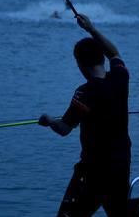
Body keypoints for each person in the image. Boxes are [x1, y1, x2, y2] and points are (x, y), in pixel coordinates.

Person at [39, 14, 131, 217]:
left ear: (81, 65)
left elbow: (64, 128)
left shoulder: (84, 93)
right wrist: (91, 28)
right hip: (121, 167)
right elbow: (114, 52)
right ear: (101, 57)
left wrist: (49, 120)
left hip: (93, 172)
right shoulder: (120, 77)